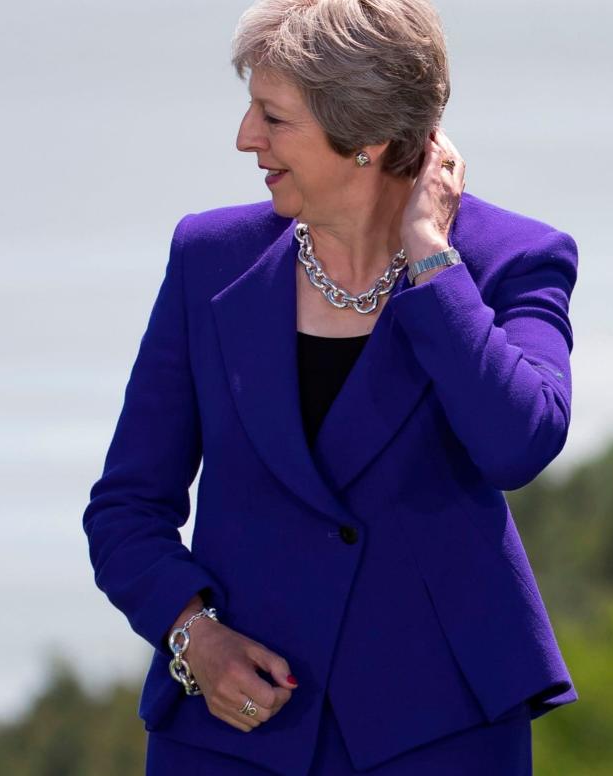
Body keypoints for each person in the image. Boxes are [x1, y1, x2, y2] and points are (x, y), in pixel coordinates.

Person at [83, 0, 577, 773]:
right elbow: (125, 509)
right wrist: (193, 638)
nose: (246, 138)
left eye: (273, 119)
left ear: (366, 139)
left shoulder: (514, 257)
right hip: (235, 732)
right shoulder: (208, 257)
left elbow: (518, 441)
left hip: (442, 731)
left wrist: (431, 263)